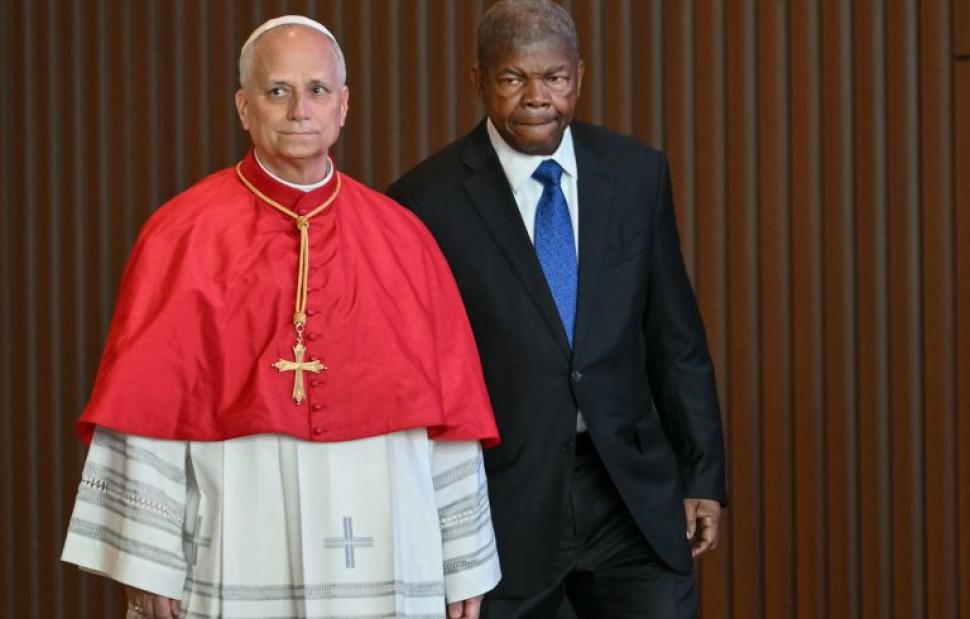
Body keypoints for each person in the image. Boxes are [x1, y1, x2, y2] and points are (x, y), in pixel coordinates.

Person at [62, 15, 500, 619]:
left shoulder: (405, 240)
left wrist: (462, 560)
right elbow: (145, 409)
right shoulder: (180, 236)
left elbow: (452, 414)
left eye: (317, 90)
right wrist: (147, 559)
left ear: (343, 105)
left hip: (385, 541)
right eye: (277, 91)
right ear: (244, 108)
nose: (300, 110)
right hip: (237, 528)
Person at [388, 1, 727, 617]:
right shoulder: (424, 202)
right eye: (513, 78)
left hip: (630, 496)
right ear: (479, 80)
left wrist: (702, 473)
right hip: (506, 503)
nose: (537, 98)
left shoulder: (636, 174)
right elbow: (417, 378)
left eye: (555, 78)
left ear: (580, 75)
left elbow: (674, 338)